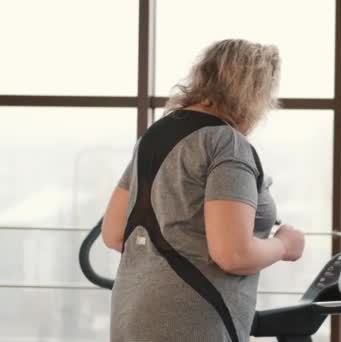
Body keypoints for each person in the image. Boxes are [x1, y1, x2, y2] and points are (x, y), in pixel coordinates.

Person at [101, 39, 305, 342]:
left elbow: (115, 233)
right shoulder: (227, 144)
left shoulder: (156, 135)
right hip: (192, 320)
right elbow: (232, 254)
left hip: (132, 314)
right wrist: (285, 245)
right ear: (253, 91)